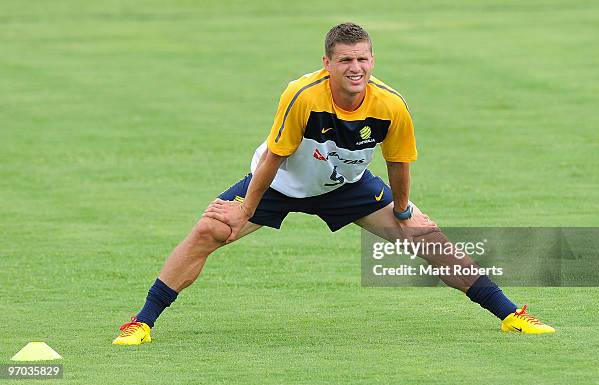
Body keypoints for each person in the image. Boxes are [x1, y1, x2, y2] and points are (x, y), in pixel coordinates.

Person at [112, 22, 555, 345]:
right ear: (328, 63)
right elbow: (274, 157)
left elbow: (398, 162)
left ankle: (510, 314)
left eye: (363, 58)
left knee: (426, 237)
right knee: (210, 229)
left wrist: (402, 209)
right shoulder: (303, 95)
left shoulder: (391, 105)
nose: (355, 67)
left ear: (372, 60)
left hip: (348, 186)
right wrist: (244, 209)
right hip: (281, 182)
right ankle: (143, 322)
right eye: (346, 59)